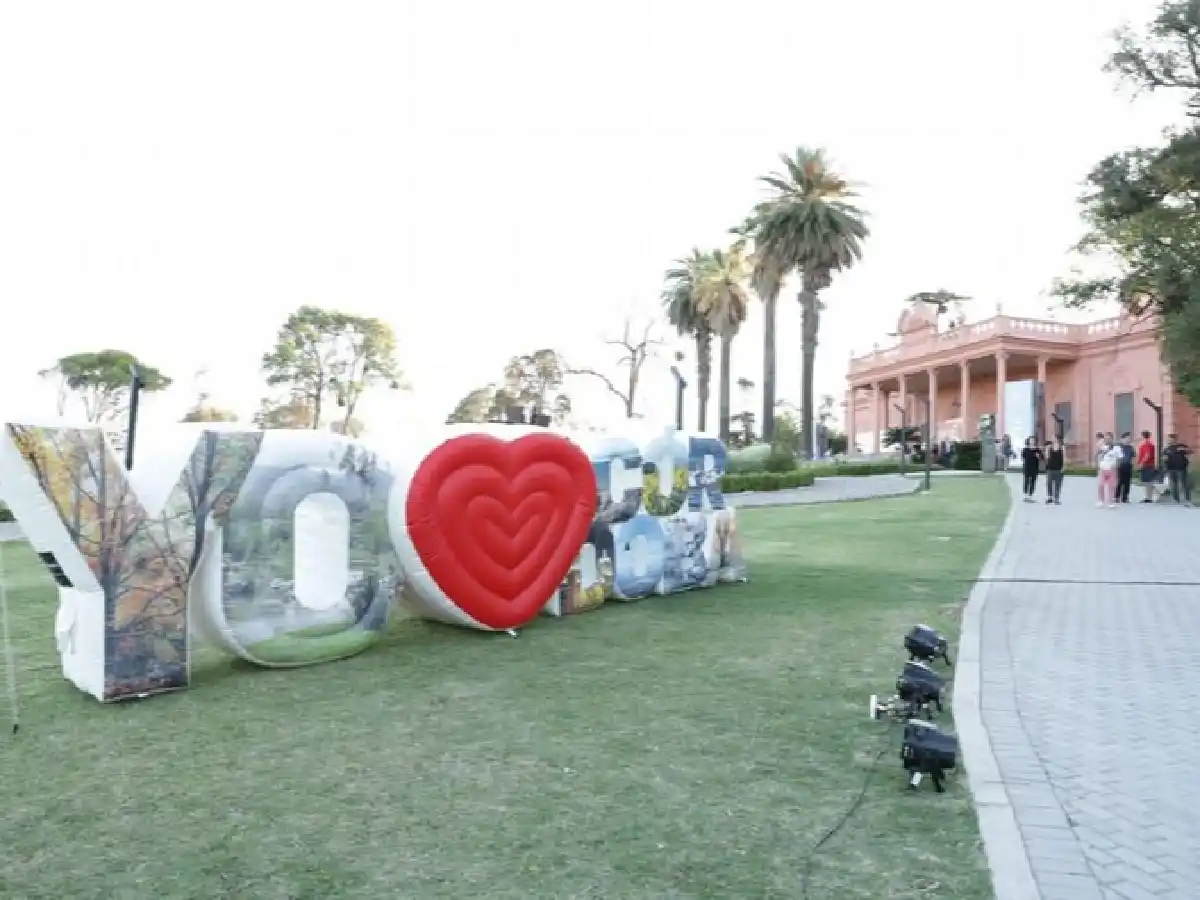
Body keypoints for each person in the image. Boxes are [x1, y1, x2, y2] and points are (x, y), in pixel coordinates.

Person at [1163, 433, 1192, 505]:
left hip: (1181, 468)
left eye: (1172, 439)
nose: (1170, 440)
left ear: (1175, 439)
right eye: (1169, 439)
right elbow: (1165, 458)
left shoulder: (1182, 446)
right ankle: (1175, 499)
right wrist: (1165, 465)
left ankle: (1187, 499)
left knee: (1184, 484)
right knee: (1173, 484)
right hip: (1171, 469)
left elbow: (1190, 453)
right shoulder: (1166, 449)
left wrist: (1188, 460)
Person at [1097, 435, 1121, 508]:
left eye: (1109, 438)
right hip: (1103, 468)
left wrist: (1116, 466)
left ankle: (1111, 502)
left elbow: (1119, 458)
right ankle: (1101, 501)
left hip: (1112, 469)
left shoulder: (1116, 448)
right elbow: (1098, 456)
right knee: (1101, 485)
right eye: (1106, 438)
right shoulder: (1102, 447)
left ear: (1112, 439)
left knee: (1112, 486)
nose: (1107, 440)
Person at [1136, 430, 1157, 503]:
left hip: (1147, 465)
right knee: (1146, 482)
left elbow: (1147, 455)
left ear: (1142, 436)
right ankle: (1148, 497)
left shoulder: (1147, 444)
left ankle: (1149, 498)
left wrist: (1141, 463)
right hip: (1148, 465)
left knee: (1147, 482)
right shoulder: (1149, 444)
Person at [1020, 437, 1043, 502]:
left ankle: (1030, 496)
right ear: (1029, 441)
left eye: (1033, 440)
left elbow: (1042, 458)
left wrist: (1038, 456)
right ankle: (1025, 496)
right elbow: (1022, 457)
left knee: (1033, 482)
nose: (1032, 441)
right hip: (1027, 467)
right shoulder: (1025, 449)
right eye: (1031, 440)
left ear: (1035, 441)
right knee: (1026, 481)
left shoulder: (1038, 450)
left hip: (1034, 468)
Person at [1044, 437, 1065, 504]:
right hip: (1050, 468)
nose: (1054, 440)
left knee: (1058, 484)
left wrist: (1063, 467)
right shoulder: (1049, 447)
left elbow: (1064, 458)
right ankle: (1050, 497)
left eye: (1056, 438)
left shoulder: (1062, 448)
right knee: (1049, 483)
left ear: (1058, 440)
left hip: (1059, 468)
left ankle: (1056, 498)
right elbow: (1047, 457)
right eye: (1053, 439)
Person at [1115, 432, 1135, 503]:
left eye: (1129, 438)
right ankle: (1117, 497)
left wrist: (1133, 465)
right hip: (1120, 466)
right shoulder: (1119, 447)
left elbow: (1132, 457)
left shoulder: (1131, 447)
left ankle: (1125, 497)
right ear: (1122, 439)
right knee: (1119, 482)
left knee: (1127, 483)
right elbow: (1116, 457)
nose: (1128, 439)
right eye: (1127, 438)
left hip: (1128, 466)